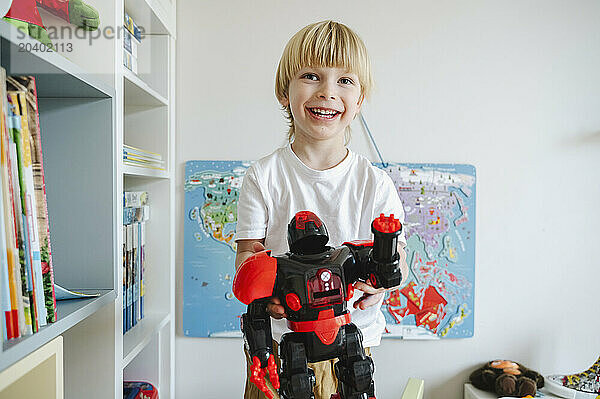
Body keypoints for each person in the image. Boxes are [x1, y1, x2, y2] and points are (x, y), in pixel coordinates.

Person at [235, 20, 409, 399]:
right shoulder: (263, 177)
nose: (328, 92)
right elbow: (247, 256)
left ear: (359, 100)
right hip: (279, 350)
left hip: (349, 346)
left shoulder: (374, 184)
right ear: (285, 91)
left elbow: (398, 261)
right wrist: (266, 296)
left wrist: (377, 287)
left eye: (345, 80)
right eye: (311, 76)